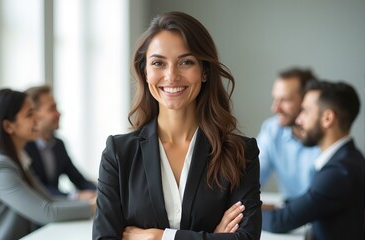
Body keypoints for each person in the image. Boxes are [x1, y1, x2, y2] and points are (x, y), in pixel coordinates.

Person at [93, 11, 261, 240]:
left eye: (186, 62)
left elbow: (247, 239)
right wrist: (211, 236)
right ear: (145, 72)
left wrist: (159, 237)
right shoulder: (119, 154)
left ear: (204, 71)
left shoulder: (240, 152)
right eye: (158, 63)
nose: (171, 76)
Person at [0, 89, 95, 239]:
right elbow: (46, 212)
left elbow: (48, 199)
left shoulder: (18, 159)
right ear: (9, 126)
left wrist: (93, 202)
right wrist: (94, 206)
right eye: (29, 114)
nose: (38, 117)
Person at [262, 81, 364, 240]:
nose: (298, 120)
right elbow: (314, 200)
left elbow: (279, 222)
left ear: (328, 118)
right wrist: (278, 207)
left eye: (305, 111)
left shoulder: (338, 172)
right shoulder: (347, 159)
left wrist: (246, 210)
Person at [257, 67, 320, 201]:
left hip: (322, 215)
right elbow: (253, 178)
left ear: (306, 100)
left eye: (284, 100)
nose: (275, 108)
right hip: (289, 214)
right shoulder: (271, 129)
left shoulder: (326, 134)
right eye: (275, 99)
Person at [24, 85, 96, 200]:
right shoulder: (24, 147)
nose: (58, 113)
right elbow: (35, 188)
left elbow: (78, 179)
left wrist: (100, 192)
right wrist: (75, 196)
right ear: (35, 114)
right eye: (52, 109)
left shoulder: (58, 144)